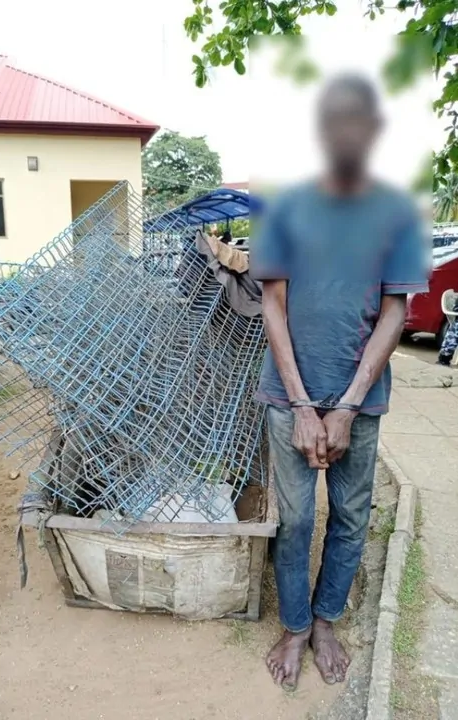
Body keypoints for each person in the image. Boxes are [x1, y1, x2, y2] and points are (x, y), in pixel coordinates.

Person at [250, 74, 428, 692]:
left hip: (363, 401)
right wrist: (304, 404)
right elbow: (273, 304)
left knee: (350, 515)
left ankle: (326, 620)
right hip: (287, 397)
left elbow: (395, 313)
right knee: (297, 519)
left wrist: (347, 407)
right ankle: (295, 626)